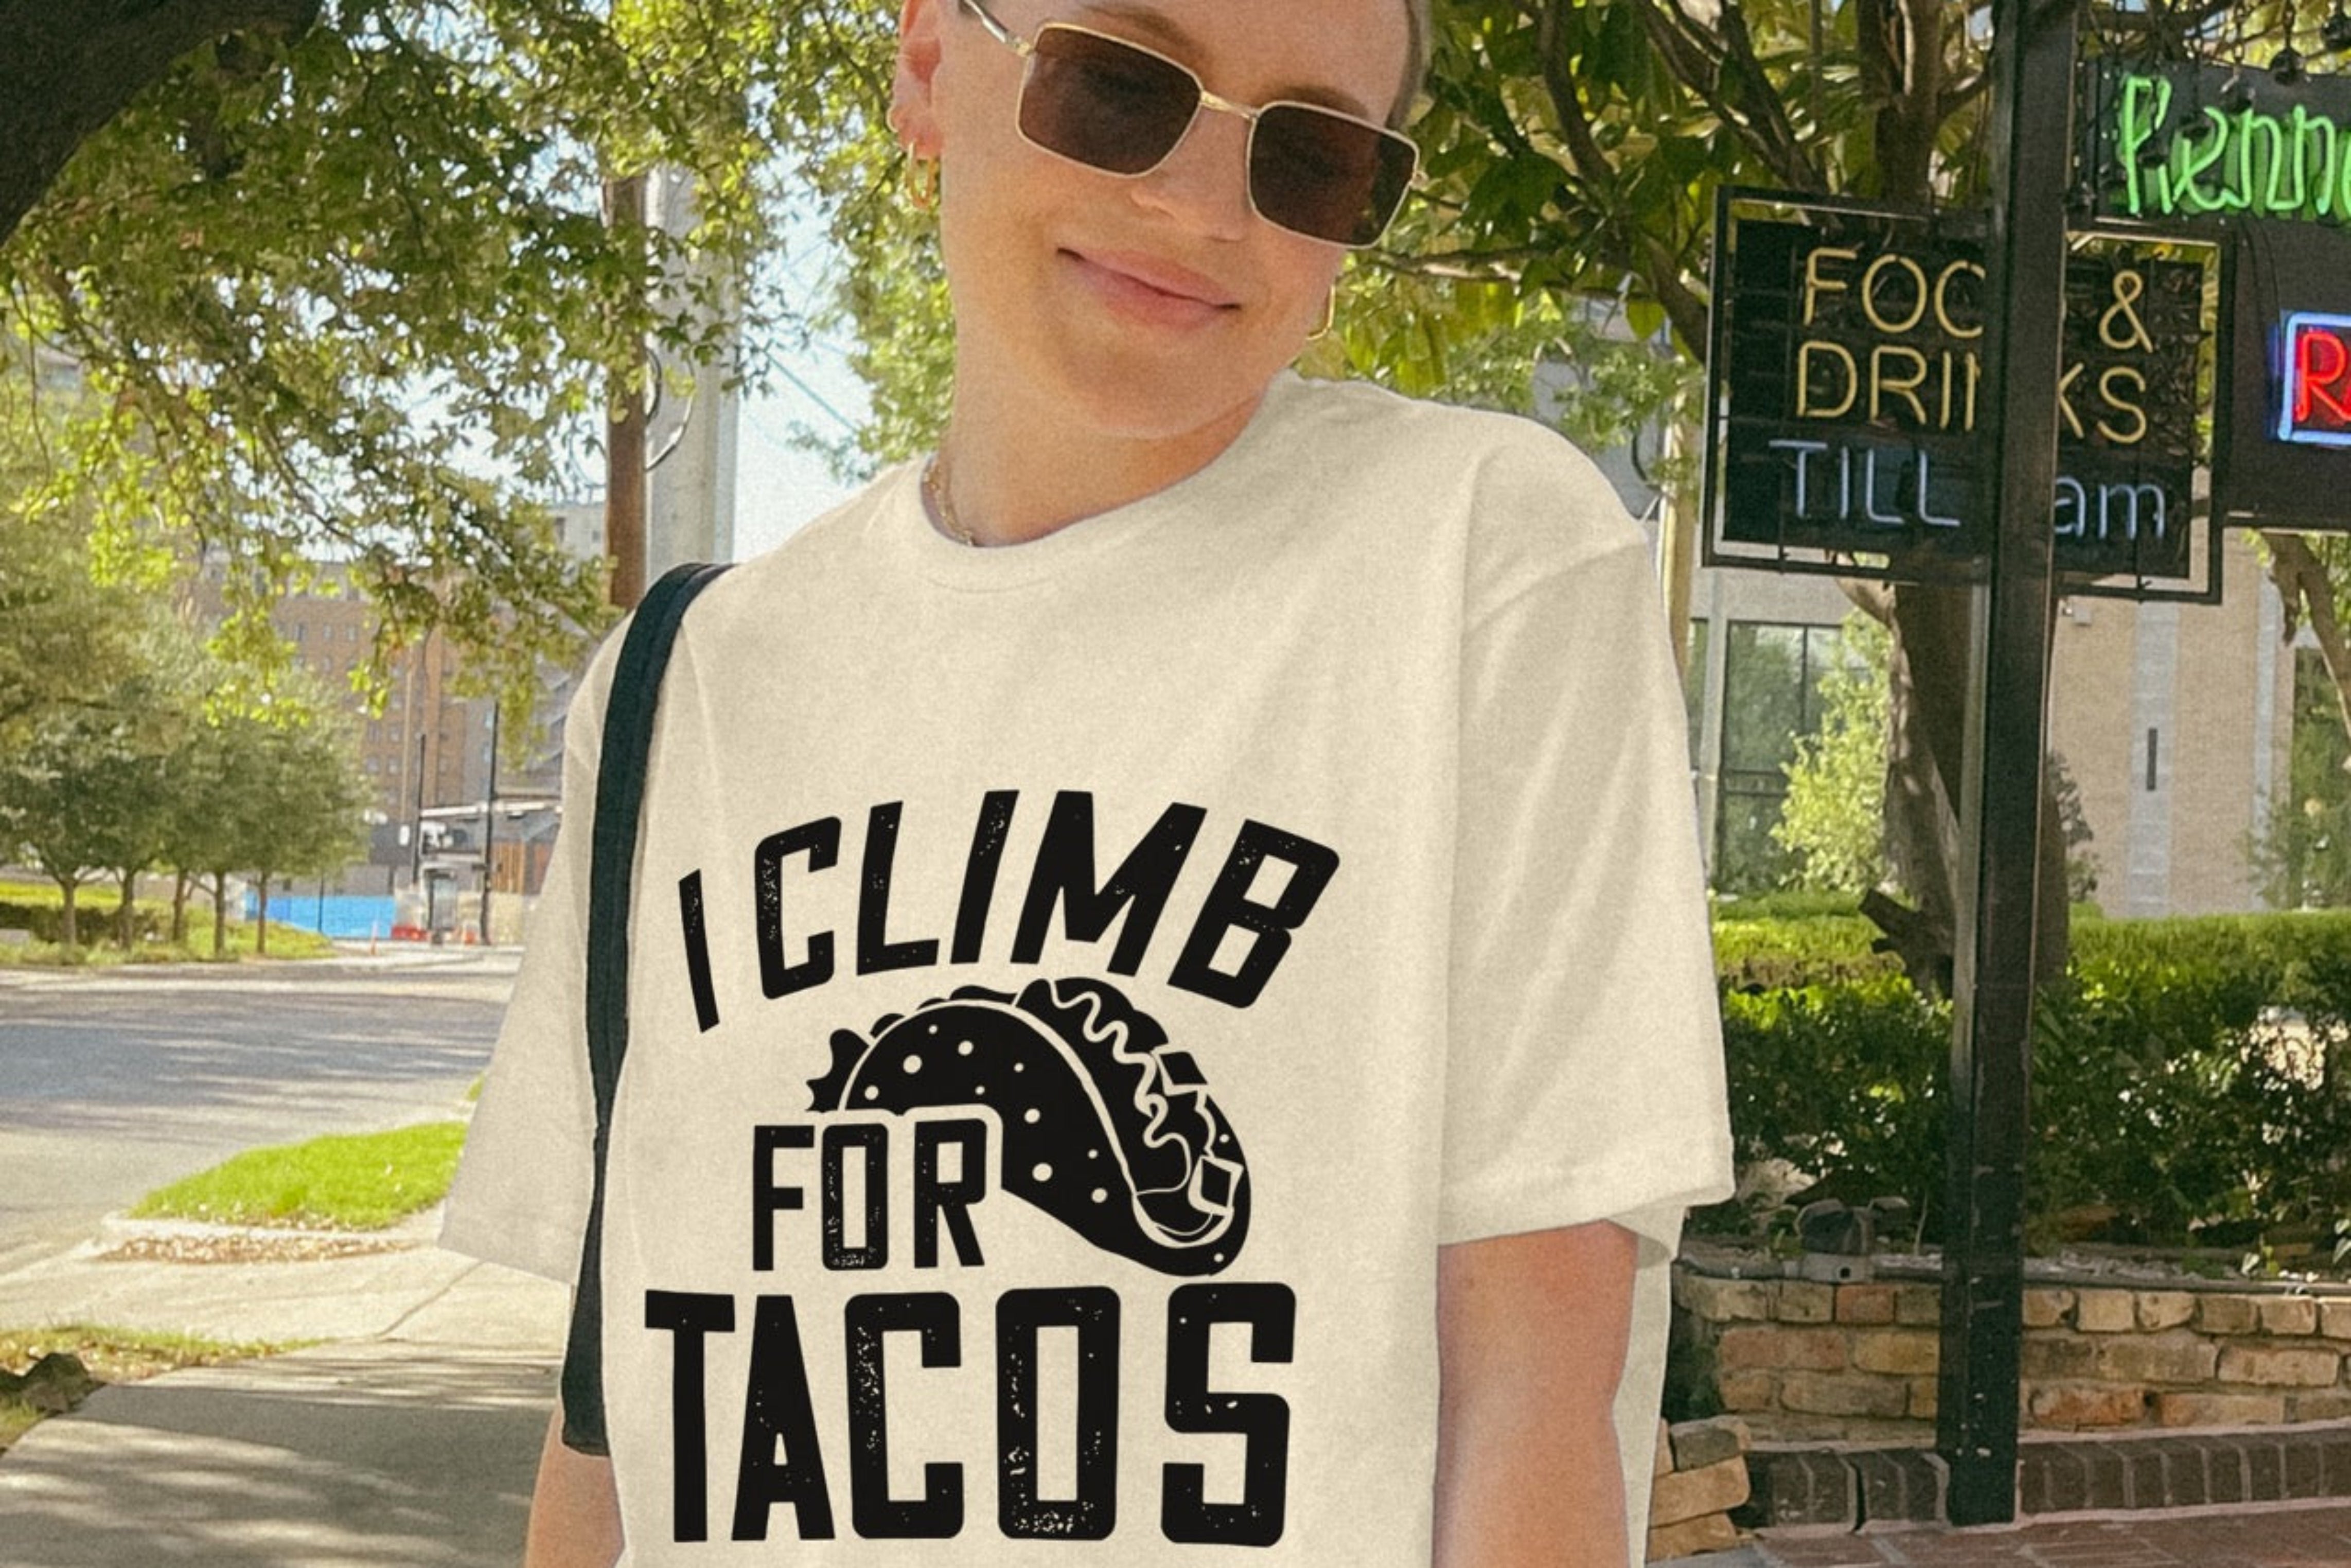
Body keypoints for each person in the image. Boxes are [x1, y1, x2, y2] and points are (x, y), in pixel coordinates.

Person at [437, 0, 1736, 1563]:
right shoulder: (682, 681)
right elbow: (614, 1422)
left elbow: (1532, 1389)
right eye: (1118, 88)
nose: (1198, 205)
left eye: (1311, 158)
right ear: (928, 67)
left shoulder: (1479, 558)